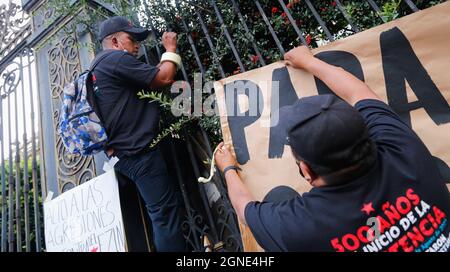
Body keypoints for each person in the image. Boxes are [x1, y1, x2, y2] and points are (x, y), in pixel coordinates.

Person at [214, 45, 450, 252]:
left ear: (307, 171)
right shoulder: (403, 148)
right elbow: (359, 92)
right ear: (368, 132)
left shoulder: (301, 226)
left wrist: (228, 169)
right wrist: (309, 60)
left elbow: (244, 209)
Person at [92, 16, 186, 251]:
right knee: (164, 214)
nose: (137, 46)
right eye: (131, 39)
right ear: (115, 41)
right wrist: (170, 49)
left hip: (122, 155)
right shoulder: (115, 59)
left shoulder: (96, 67)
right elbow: (163, 77)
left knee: (159, 211)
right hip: (138, 154)